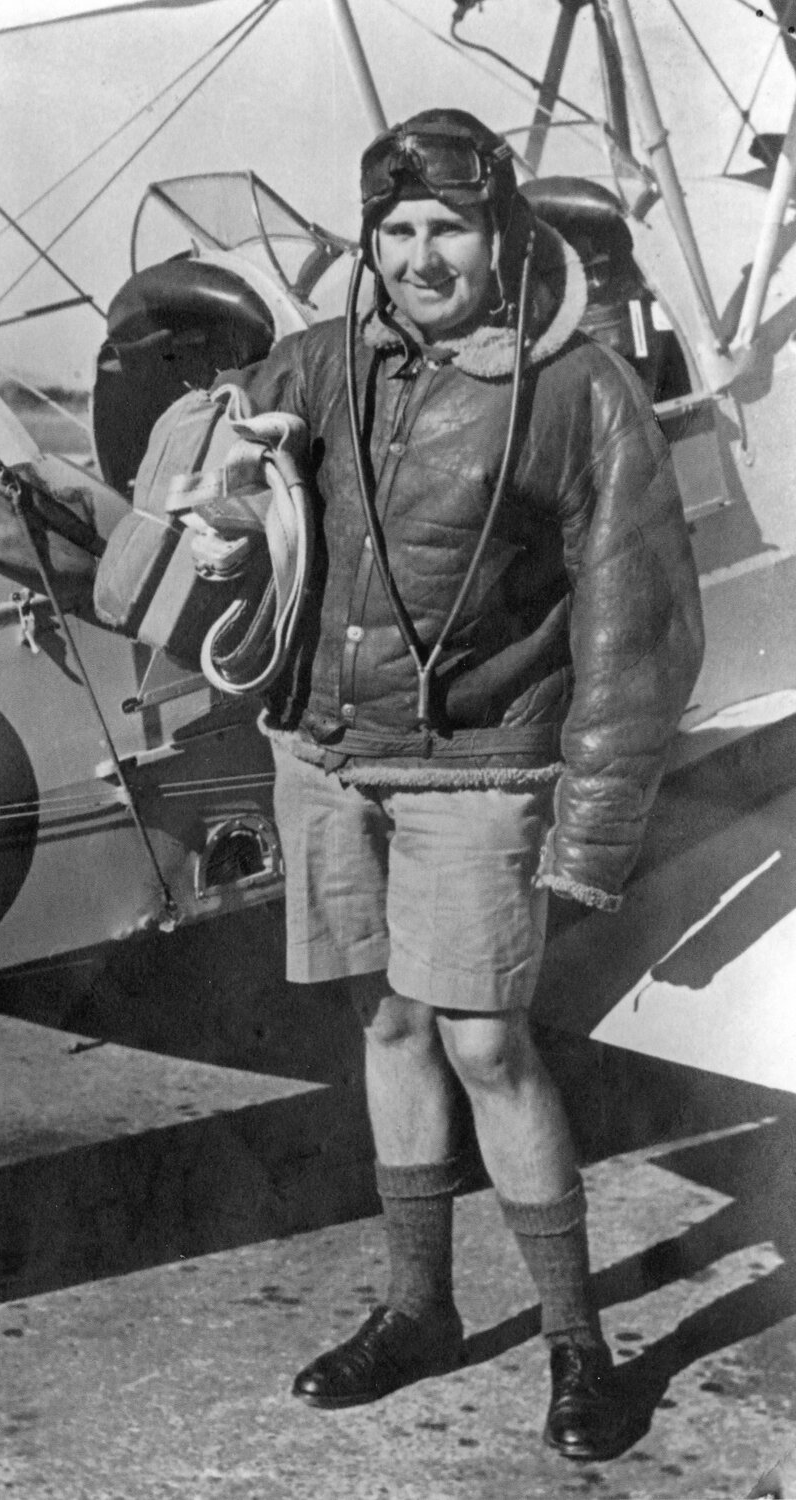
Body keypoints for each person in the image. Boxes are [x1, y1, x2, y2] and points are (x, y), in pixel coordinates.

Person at [216, 108, 704, 1461]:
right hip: (324, 753)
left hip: (481, 765)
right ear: (369, 239)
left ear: (505, 236)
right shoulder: (313, 366)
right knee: (387, 1028)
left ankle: (579, 1350)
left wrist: (594, 833)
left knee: (487, 1040)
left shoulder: (582, 391)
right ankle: (418, 1310)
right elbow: (217, 519)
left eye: (449, 228)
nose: (421, 256)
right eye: (397, 229)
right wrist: (216, 512)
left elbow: (640, 631)